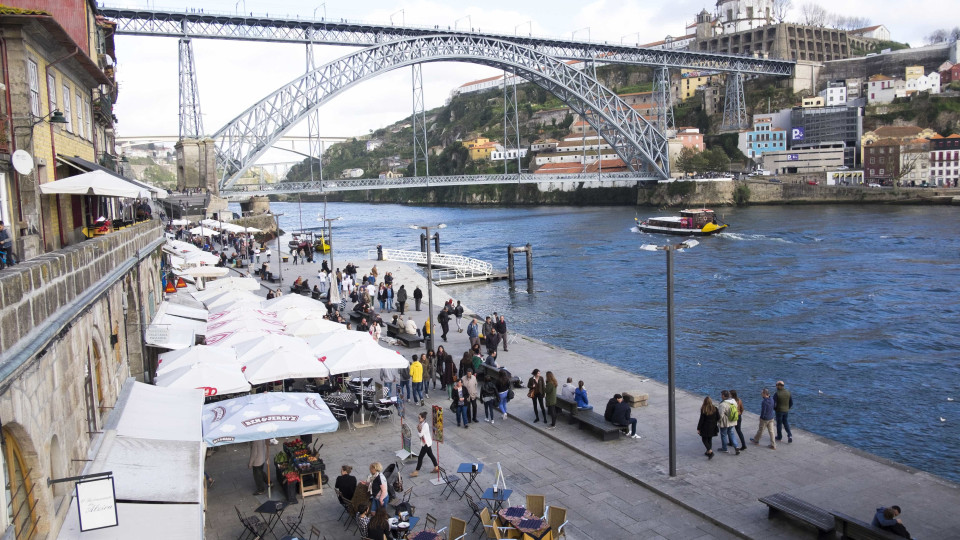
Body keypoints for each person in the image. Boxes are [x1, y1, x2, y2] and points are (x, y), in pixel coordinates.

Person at [410, 411, 439, 477]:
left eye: (419, 418)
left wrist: (418, 430)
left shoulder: (425, 425)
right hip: (425, 443)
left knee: (420, 457)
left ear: (423, 418)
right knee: (430, 455)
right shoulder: (422, 424)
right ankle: (436, 467)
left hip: (426, 443)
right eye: (418, 418)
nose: (419, 419)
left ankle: (416, 471)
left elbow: (420, 434)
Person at [718, 390, 740, 455]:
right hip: (733, 421)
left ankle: (724, 449)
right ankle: (736, 446)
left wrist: (718, 422)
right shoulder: (734, 402)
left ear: (724, 396)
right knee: (731, 433)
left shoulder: (723, 404)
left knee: (724, 434)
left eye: (721, 395)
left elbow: (720, 415)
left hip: (725, 422)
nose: (721, 396)